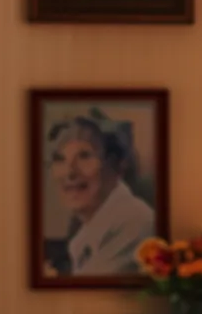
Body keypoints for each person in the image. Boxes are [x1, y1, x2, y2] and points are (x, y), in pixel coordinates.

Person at [44, 109, 156, 277]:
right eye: (60, 159)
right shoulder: (90, 231)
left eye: (84, 156)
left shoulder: (134, 224)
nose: (69, 172)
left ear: (117, 165)